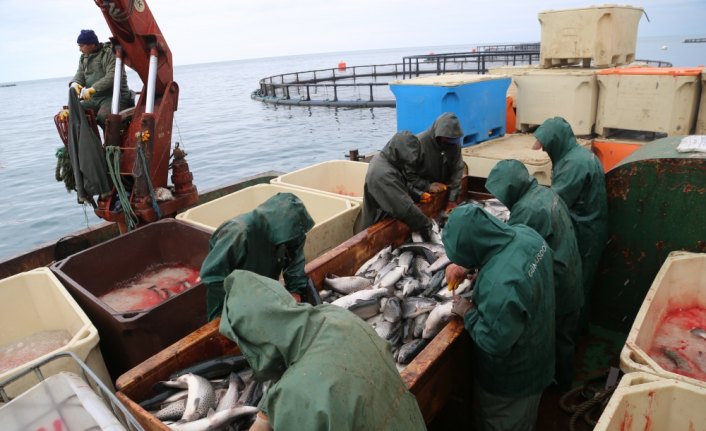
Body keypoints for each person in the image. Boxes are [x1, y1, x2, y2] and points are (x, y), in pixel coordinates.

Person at [219, 270, 426, 431]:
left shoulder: (297, 394)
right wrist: (269, 409)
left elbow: (305, 388)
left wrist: (283, 406)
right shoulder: (337, 316)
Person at [443, 205, 555, 431]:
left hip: (513, 382)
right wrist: (473, 265)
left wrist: (468, 313)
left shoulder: (502, 285)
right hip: (540, 350)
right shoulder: (527, 235)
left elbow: (494, 341)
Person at [485, 159, 583, 392]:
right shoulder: (542, 192)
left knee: (557, 337)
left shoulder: (527, 210)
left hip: (558, 282)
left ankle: (557, 389)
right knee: (565, 335)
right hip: (570, 272)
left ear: (511, 189)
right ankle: (562, 382)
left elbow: (513, 253)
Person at [533, 117, 608, 329]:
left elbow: (554, 203)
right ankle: (578, 330)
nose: (546, 151)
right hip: (589, 227)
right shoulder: (578, 155)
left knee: (577, 288)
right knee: (583, 284)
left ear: (556, 142)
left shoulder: (573, 164)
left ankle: (571, 337)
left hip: (584, 233)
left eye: (547, 147)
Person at [200, 192, 314, 321]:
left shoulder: (292, 233)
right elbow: (211, 276)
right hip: (229, 302)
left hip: (265, 295)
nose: (292, 240)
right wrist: (249, 300)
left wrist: (295, 291)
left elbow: (295, 259)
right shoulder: (238, 232)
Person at [355, 131, 433, 235]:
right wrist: (428, 226)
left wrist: (418, 194)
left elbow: (400, 183)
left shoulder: (389, 160)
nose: (409, 164)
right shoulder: (382, 174)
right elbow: (405, 209)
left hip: (387, 220)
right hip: (374, 231)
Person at [65, 29, 134, 128]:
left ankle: (113, 141)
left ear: (92, 44)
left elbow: (112, 76)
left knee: (104, 116)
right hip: (95, 98)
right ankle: (92, 141)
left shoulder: (110, 53)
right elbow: (80, 74)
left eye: (82, 46)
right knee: (74, 111)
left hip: (115, 96)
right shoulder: (84, 57)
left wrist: (93, 89)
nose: (80, 49)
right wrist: (75, 83)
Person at [410, 112, 465, 212]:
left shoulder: (454, 144)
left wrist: (452, 199)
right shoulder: (418, 143)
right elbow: (408, 176)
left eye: (453, 140)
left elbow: (458, 170)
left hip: (443, 190)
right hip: (420, 193)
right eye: (448, 139)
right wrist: (427, 186)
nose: (451, 143)